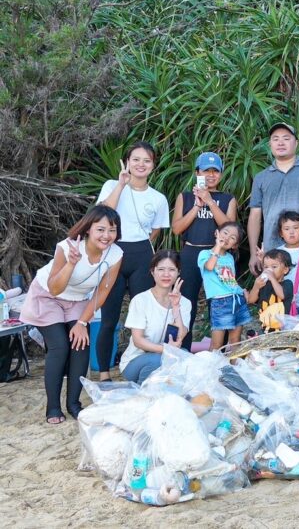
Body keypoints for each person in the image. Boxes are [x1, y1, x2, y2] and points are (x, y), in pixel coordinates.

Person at [19, 206, 123, 423]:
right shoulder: (66, 247)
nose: (106, 235)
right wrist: (71, 264)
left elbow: (102, 291)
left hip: (78, 300)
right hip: (48, 295)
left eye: (112, 230)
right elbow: (55, 288)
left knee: (80, 344)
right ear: (88, 229)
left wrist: (82, 322)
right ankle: (53, 408)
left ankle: (74, 404)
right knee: (59, 346)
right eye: (100, 229)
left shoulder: (115, 254)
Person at [96, 141, 169, 380]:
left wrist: (139, 244)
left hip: (141, 256)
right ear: (127, 161)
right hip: (113, 254)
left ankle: (141, 367)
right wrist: (121, 184)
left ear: (153, 166)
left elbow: (155, 230)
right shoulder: (111, 185)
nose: (140, 164)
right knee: (109, 319)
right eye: (136, 159)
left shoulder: (158, 198)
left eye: (146, 161)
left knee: (144, 318)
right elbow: (103, 214)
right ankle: (105, 373)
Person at [170, 151, 237, 350]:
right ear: (197, 172)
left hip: (218, 256)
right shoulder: (185, 197)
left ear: (221, 174)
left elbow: (230, 229)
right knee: (185, 304)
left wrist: (209, 202)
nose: (210, 175)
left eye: (215, 171)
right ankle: (180, 350)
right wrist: (197, 206)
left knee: (220, 304)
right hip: (191, 253)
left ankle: (220, 353)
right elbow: (177, 228)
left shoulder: (227, 199)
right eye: (205, 171)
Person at [247, 122, 299, 275]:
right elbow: (254, 215)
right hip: (273, 249)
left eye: (286, 138)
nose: (280, 142)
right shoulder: (261, 177)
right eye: (275, 139)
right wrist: (254, 253)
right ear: (270, 144)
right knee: (275, 294)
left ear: (296, 143)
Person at [118, 251, 191, 384]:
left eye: (171, 270)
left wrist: (175, 307)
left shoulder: (184, 303)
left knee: (188, 358)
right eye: (161, 269)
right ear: (153, 272)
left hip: (166, 357)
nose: (166, 274)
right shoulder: (141, 300)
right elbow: (138, 341)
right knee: (158, 360)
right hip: (136, 362)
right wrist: (166, 350)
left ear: (178, 272)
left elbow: (181, 335)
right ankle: (143, 396)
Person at [197, 222, 249, 350]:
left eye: (232, 238)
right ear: (217, 233)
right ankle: (211, 369)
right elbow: (209, 267)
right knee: (216, 344)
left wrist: (241, 290)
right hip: (220, 301)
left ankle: (234, 367)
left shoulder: (230, 257)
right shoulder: (204, 254)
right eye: (225, 233)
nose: (227, 237)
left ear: (234, 245)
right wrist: (217, 249)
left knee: (235, 341)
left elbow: (230, 280)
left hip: (237, 299)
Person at [248, 249, 293, 332]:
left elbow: (282, 295)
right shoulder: (264, 284)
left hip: (282, 329)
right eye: (266, 267)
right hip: (265, 327)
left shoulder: (288, 283)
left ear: (285, 270)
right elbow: (251, 300)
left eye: (274, 267)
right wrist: (256, 286)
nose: (269, 270)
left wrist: (272, 278)